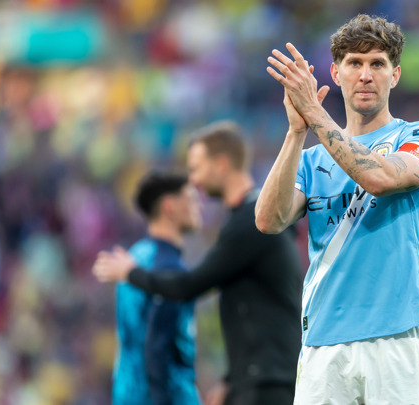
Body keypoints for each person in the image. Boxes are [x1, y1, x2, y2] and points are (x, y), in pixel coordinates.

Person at [256, 14, 419, 404]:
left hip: (395, 337)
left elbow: (381, 178)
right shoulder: (311, 161)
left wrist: (315, 115)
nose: (365, 75)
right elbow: (267, 220)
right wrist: (297, 131)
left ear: (395, 75)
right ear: (336, 73)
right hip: (322, 342)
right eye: (354, 63)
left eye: (377, 64)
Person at [93, 122, 303, 405]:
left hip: (266, 383)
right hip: (259, 378)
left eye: (196, 168)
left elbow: (189, 285)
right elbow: (253, 310)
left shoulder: (252, 223)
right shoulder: (246, 223)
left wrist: (131, 273)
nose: (193, 181)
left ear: (221, 164)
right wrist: (231, 379)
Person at [111, 170, 202, 404]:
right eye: (191, 199)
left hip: (127, 393)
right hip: (163, 396)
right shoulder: (168, 268)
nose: (199, 206)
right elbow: (157, 345)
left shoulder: (135, 258)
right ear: (170, 206)